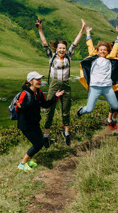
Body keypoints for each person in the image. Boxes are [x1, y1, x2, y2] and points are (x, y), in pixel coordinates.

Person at [36, 18, 85, 147]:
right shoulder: (51, 56)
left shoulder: (68, 56)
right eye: (60, 48)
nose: (62, 50)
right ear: (56, 49)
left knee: (66, 110)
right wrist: (40, 29)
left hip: (66, 85)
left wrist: (81, 30)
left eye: (64, 48)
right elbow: (44, 43)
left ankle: (66, 134)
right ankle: (46, 136)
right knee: (49, 111)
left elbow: (75, 43)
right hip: (54, 84)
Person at [15, 71, 64, 171]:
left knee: (40, 143)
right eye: (37, 79)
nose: (39, 81)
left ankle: (28, 160)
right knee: (37, 144)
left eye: (40, 79)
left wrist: (55, 96)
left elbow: (45, 105)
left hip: (35, 123)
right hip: (26, 124)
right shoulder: (25, 94)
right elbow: (20, 109)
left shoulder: (39, 93)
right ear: (30, 81)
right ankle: (22, 164)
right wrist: (20, 107)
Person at [78, 27, 118, 116]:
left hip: (107, 87)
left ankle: (110, 117)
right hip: (95, 87)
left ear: (107, 52)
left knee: (115, 106)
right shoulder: (94, 57)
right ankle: (81, 111)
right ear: (97, 51)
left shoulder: (110, 58)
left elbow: (116, 47)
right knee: (89, 109)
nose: (102, 51)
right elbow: (90, 45)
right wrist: (88, 33)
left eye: (104, 50)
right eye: (101, 49)